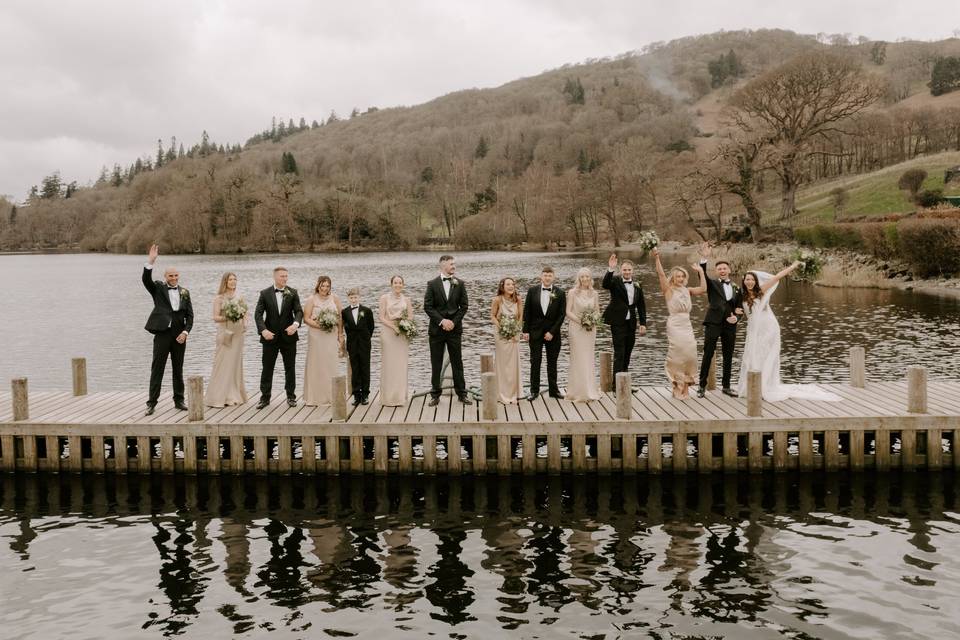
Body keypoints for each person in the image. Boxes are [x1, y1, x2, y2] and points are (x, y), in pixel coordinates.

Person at [737, 263, 842, 402]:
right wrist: (737, 313)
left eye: (752, 279)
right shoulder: (741, 295)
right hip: (753, 328)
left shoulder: (761, 291)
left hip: (768, 326)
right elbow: (740, 310)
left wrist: (794, 265)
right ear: (743, 281)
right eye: (747, 279)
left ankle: (765, 386)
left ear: (755, 281)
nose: (749, 281)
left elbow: (778, 276)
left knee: (765, 354)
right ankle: (754, 385)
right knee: (753, 354)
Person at [141, 244, 194, 415]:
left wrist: (185, 333)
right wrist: (151, 261)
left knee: (178, 369)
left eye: (176, 275)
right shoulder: (158, 288)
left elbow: (190, 316)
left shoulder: (185, 292)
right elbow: (145, 280)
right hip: (163, 334)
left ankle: (179, 400)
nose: (174, 278)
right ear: (165, 277)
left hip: (179, 336)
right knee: (158, 368)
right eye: (171, 275)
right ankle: (151, 403)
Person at [653, 249, 707, 400]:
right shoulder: (668, 290)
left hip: (687, 324)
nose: (681, 278)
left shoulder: (688, 290)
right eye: (678, 276)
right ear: (673, 278)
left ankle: (686, 385)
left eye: (683, 276)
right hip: (675, 324)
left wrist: (701, 272)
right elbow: (661, 275)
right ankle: (676, 384)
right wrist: (657, 258)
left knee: (690, 353)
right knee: (677, 354)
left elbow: (703, 288)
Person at [424, 255, 470, 406]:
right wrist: (442, 321)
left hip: (454, 330)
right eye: (451, 264)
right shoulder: (432, 284)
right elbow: (428, 307)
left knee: (457, 362)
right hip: (437, 331)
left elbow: (464, 307)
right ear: (443, 265)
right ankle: (435, 394)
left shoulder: (460, 284)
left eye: (454, 263)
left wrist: (453, 322)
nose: (454, 266)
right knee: (436, 363)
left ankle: (462, 393)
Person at [696, 244, 742, 398]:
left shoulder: (737, 288)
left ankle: (727, 386)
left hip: (730, 325)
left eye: (724, 268)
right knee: (708, 353)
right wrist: (704, 258)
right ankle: (701, 386)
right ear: (716, 271)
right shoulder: (713, 284)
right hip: (713, 323)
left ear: (729, 270)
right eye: (719, 269)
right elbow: (701, 274)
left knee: (728, 355)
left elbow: (740, 308)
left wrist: (737, 318)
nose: (722, 270)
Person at [254, 266, 303, 409]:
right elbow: (258, 314)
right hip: (270, 338)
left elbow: (299, 311)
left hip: (289, 337)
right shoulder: (264, 293)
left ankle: (291, 396)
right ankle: (265, 398)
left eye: (286, 276)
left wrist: (295, 325)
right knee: (267, 368)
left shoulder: (293, 293)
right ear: (275, 277)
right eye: (282, 276)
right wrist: (263, 331)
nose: (285, 279)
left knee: (290, 367)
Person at [522, 266, 566, 400]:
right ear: (541, 277)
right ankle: (534, 391)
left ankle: (554, 390)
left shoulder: (560, 293)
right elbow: (527, 312)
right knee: (535, 362)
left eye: (550, 275)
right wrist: (525, 331)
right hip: (535, 332)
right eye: (545, 275)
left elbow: (562, 315)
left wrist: (552, 332)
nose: (547, 278)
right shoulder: (532, 291)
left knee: (552, 362)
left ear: (554, 277)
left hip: (553, 334)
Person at [206, 272, 248, 408]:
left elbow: (245, 314)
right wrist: (230, 316)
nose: (233, 281)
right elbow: (215, 317)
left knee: (235, 364)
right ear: (225, 282)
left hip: (238, 334)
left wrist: (244, 322)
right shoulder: (219, 298)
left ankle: (234, 394)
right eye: (230, 279)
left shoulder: (240, 296)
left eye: (235, 279)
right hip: (225, 333)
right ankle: (219, 396)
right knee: (223, 362)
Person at [602, 254, 647, 374]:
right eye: (624, 270)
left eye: (629, 270)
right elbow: (605, 284)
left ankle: (624, 381)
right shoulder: (615, 281)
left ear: (633, 271)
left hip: (631, 323)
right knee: (619, 352)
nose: (627, 272)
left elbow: (641, 306)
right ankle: (616, 384)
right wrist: (610, 269)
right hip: (617, 322)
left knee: (628, 351)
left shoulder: (638, 285)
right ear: (621, 270)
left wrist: (643, 323)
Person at [303, 275, 343, 407]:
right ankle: (316, 397)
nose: (325, 288)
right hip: (316, 335)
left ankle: (332, 396)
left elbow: (340, 317)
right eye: (322, 286)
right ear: (318, 285)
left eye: (327, 286)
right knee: (317, 364)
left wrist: (340, 334)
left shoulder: (335, 298)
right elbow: (306, 318)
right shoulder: (311, 299)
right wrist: (320, 325)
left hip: (331, 335)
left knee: (331, 363)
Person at [565, 267, 602, 402]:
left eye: (587, 276)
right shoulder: (572, 293)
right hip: (576, 328)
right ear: (579, 279)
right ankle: (577, 391)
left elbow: (598, 311)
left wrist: (593, 320)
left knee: (588, 357)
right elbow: (568, 312)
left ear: (590, 278)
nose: (585, 279)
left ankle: (590, 390)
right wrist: (582, 321)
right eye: (582, 277)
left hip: (590, 329)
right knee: (578, 358)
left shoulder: (595, 293)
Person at [379, 275, 414, 407]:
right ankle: (388, 397)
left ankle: (399, 396)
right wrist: (393, 326)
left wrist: (405, 325)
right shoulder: (384, 298)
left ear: (403, 285)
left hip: (402, 333)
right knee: (389, 363)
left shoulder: (407, 299)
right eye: (395, 282)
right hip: (388, 332)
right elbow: (381, 317)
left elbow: (410, 316)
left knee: (400, 364)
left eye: (400, 283)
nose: (398, 285)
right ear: (391, 284)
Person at [492, 277, 523, 404]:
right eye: (508, 284)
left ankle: (513, 393)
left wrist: (515, 331)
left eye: (512, 284)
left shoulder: (518, 299)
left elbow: (521, 317)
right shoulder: (497, 300)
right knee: (502, 365)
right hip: (501, 335)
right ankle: (501, 393)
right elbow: (492, 316)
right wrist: (502, 328)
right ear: (502, 286)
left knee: (513, 365)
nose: (511, 286)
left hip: (514, 335)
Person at [341, 287, 374, 406]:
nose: (353, 299)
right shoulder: (344, 312)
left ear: (359, 297)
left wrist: (365, 339)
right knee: (354, 369)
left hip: (364, 343)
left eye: (355, 297)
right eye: (351, 297)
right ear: (348, 298)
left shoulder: (367, 310)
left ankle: (365, 394)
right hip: (352, 344)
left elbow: (371, 327)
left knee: (365, 368)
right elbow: (345, 327)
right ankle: (356, 395)